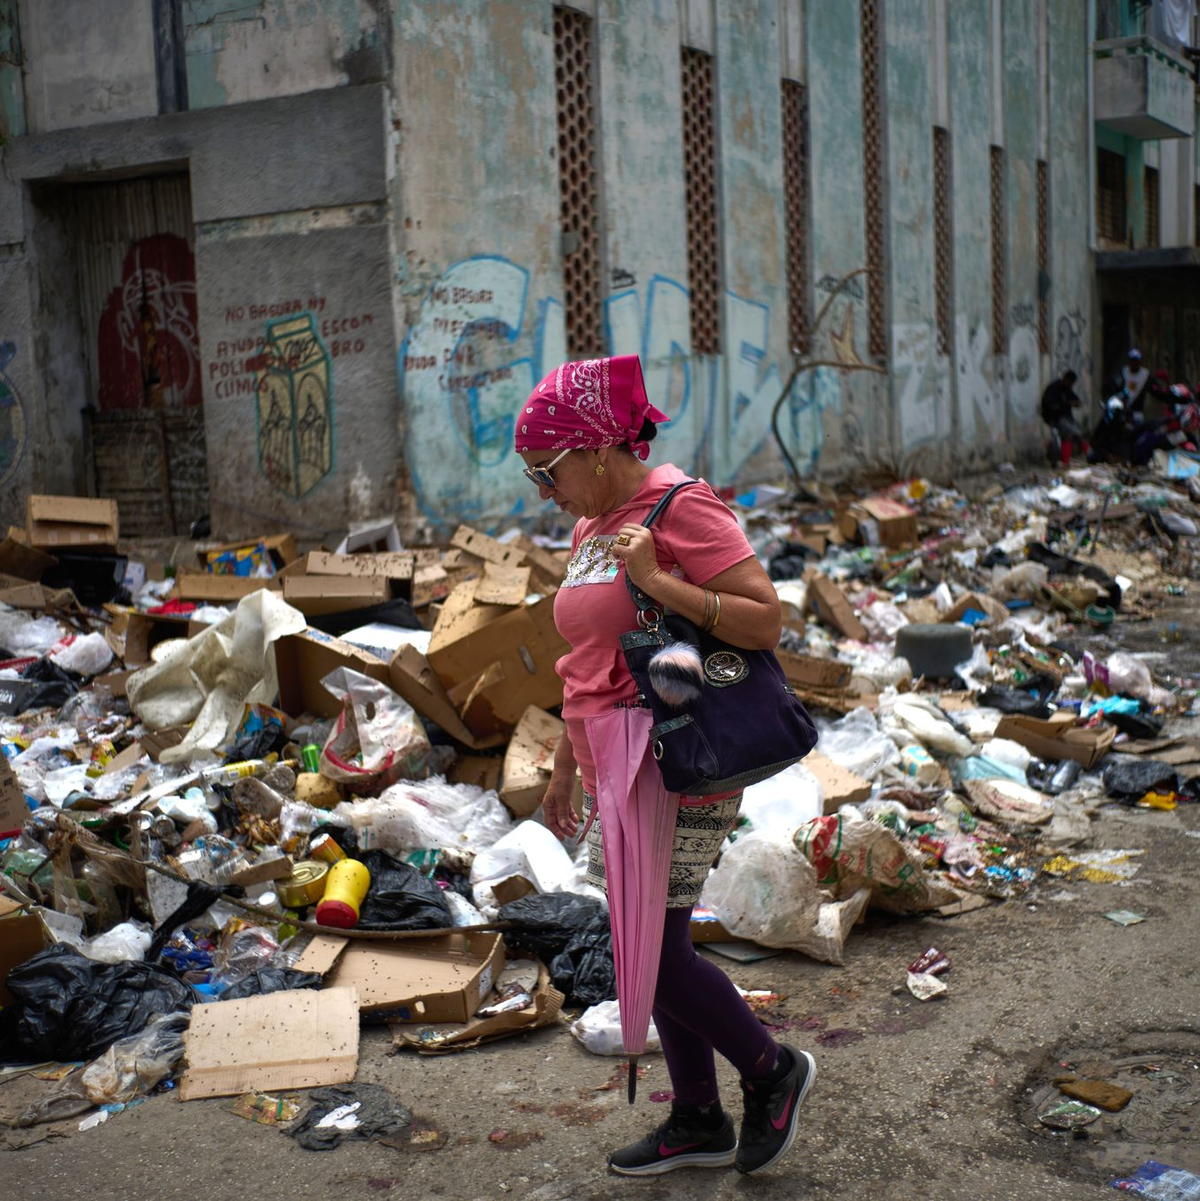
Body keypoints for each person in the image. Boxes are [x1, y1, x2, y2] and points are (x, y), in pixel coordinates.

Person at [514, 355, 816, 1177]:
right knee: (653, 937)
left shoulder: (684, 507)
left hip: (682, 757)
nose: (546, 492)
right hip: (612, 764)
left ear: (599, 447)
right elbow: (586, 656)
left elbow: (763, 621)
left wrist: (656, 579)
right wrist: (564, 768)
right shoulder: (586, 531)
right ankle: (697, 1115)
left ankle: (770, 1069)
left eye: (549, 470)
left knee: (648, 952)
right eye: (533, 476)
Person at [1039, 369, 1088, 464]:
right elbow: (1051, 406)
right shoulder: (1053, 389)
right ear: (1066, 379)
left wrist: (1073, 403)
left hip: (1066, 418)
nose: (1071, 385)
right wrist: (1066, 404)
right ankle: (1065, 461)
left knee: (1078, 435)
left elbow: (1076, 401)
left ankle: (1090, 455)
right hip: (1055, 418)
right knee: (1068, 434)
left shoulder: (1067, 389)